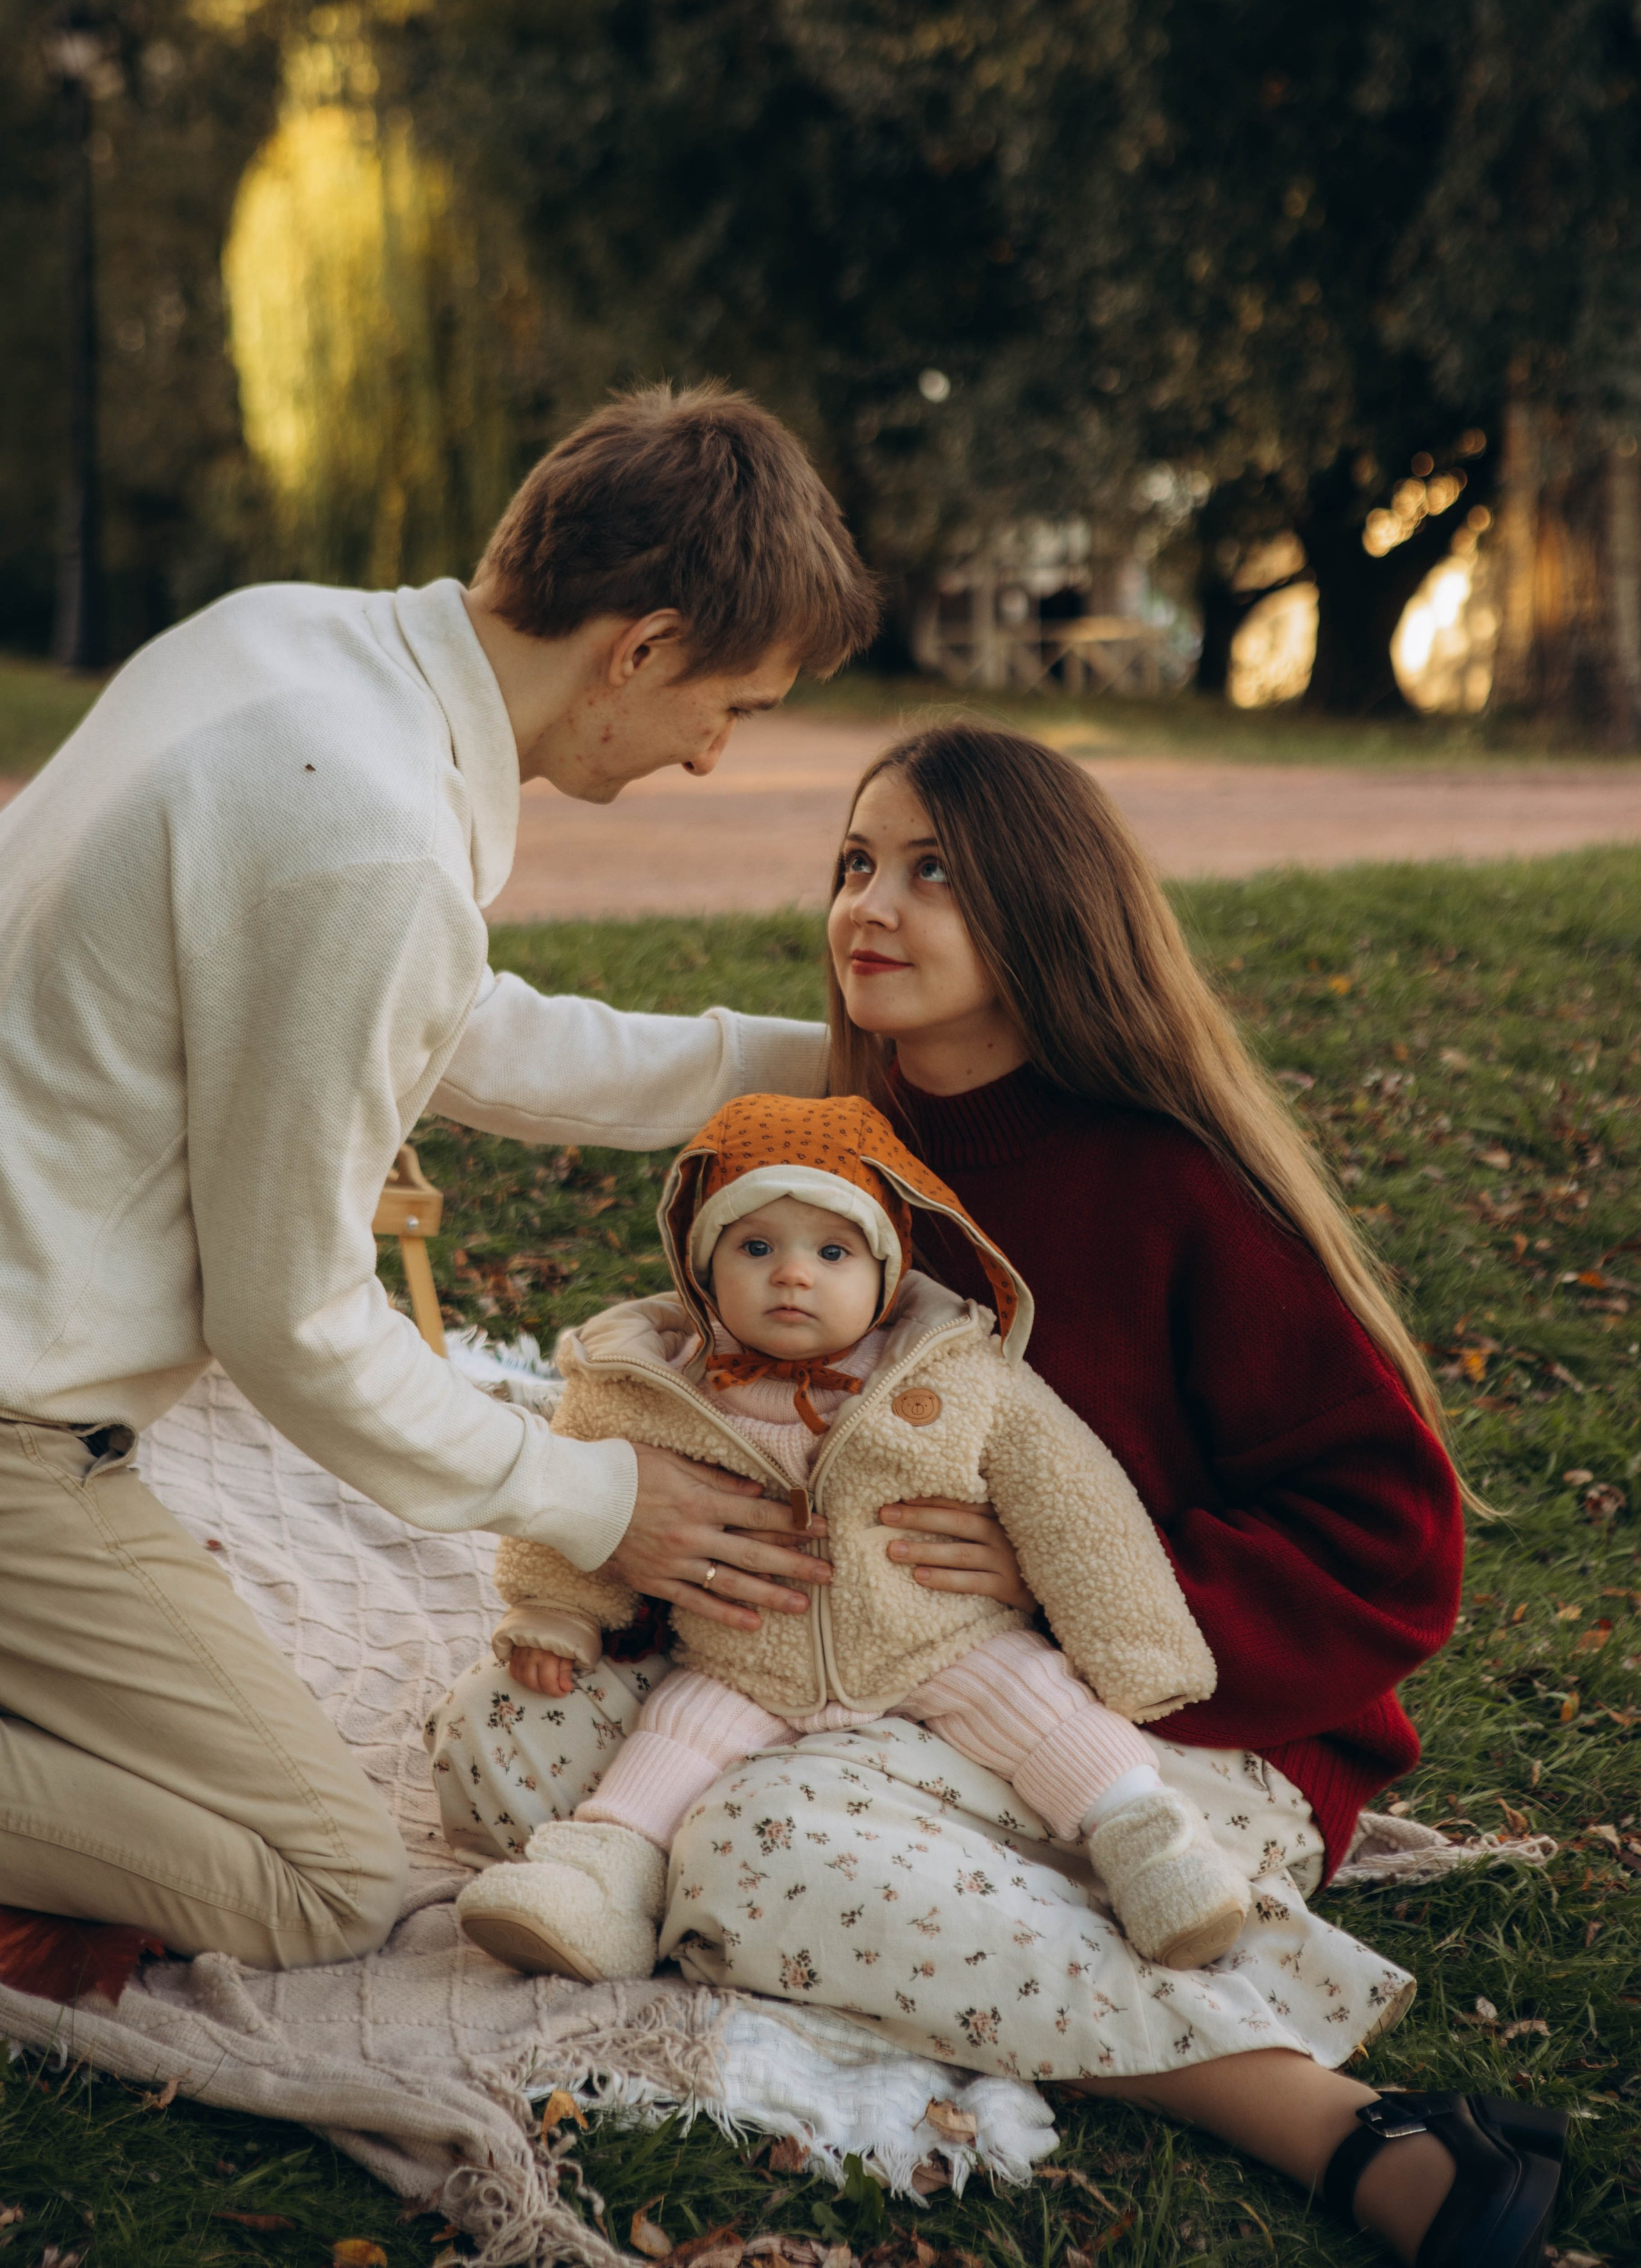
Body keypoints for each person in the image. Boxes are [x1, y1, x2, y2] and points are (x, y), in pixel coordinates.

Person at [434, 722, 1559, 2268]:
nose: (867, 908)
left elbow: (1390, 1538)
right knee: (509, 1737)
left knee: (755, 1837)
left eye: (931, 872)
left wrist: (1056, 1579)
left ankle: (1317, 2116)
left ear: (1043, 906)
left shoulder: (1165, 1183)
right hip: (840, 1679)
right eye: (852, 864)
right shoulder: (842, 1162)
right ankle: (894, 1893)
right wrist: (676, 1566)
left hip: (1166, 1729)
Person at [0, 383, 881, 1973]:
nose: (707, 756)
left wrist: (821, 1071)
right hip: (15, 1412)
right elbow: (295, 1326)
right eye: (731, 707)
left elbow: (446, 1030)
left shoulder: (287, 643)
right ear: (642, 647)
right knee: (324, 1882)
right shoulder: (375, 844)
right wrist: (594, 1499)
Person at [446, 1091, 1250, 1982]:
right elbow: (590, 1486)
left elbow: (1077, 1507)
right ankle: (592, 1884)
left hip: (938, 1634)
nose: (793, 1276)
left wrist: (1137, 1648)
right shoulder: (654, 1384)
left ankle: (1157, 1852)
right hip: (744, 1657)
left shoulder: (956, 1372)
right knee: (668, 1744)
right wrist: (559, 1609)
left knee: (1046, 1707)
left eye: (831, 1252)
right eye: (756, 1248)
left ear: (888, 1268)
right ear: (703, 1267)